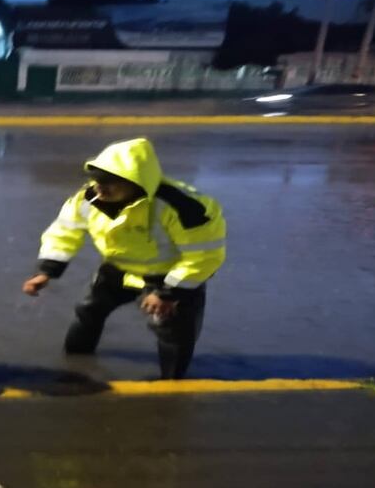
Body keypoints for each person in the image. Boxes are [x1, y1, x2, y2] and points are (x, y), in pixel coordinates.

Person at [23, 138, 226, 379]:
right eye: (97, 180)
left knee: (172, 333)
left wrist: (167, 293)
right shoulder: (88, 199)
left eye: (110, 182)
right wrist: (46, 270)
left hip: (170, 278)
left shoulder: (185, 208)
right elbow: (65, 231)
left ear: (136, 182)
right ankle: (73, 366)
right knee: (88, 311)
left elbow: (203, 256)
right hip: (117, 269)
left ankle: (172, 387)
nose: (100, 188)